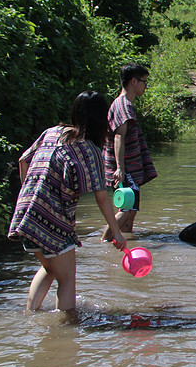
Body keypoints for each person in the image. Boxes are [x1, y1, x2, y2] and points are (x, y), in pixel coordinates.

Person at [8, 91, 127, 312]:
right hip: (54, 221)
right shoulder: (89, 150)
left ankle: (30, 318)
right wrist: (117, 233)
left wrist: (30, 195)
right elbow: (101, 197)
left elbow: (23, 159)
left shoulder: (52, 132)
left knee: (50, 268)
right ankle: (66, 332)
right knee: (67, 280)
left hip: (25, 214)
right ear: (101, 120)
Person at [103, 63, 157, 239]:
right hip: (125, 169)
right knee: (127, 209)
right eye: (143, 82)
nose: (145, 86)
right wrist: (120, 168)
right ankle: (103, 243)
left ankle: (127, 239)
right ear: (133, 81)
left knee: (130, 210)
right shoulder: (123, 105)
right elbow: (119, 136)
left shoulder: (123, 104)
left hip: (128, 169)